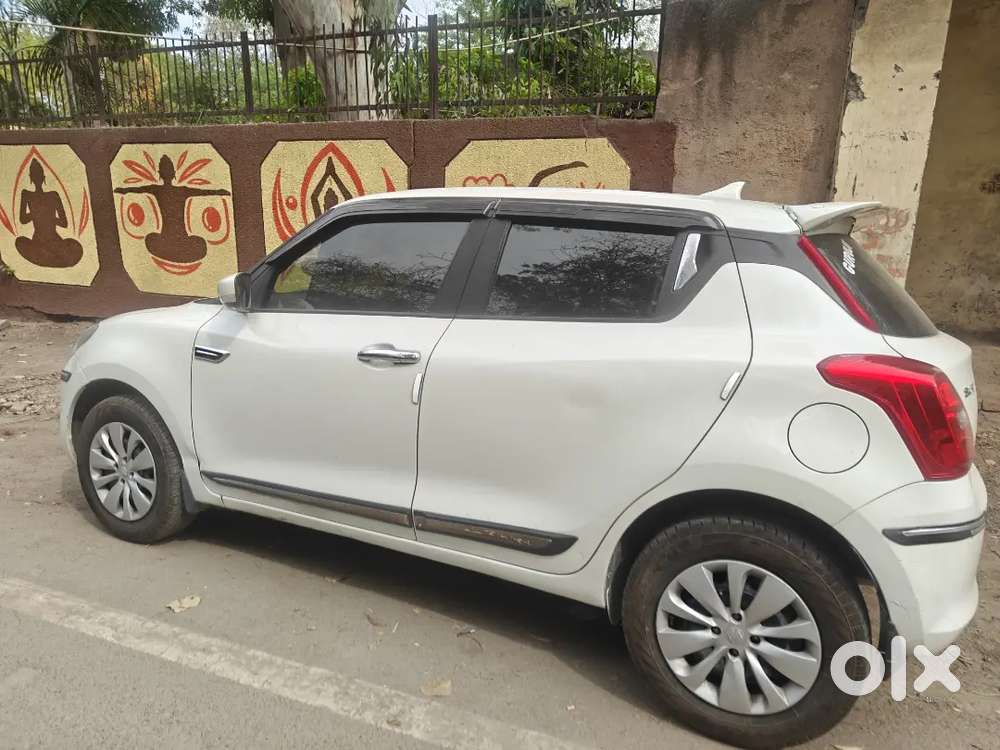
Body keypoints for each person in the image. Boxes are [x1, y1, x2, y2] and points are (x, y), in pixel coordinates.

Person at [114, 154, 229, 264]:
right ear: (173, 173)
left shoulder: (163, 189)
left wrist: (123, 190)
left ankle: (172, 254)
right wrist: (219, 192)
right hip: (175, 242)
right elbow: (140, 189)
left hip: (166, 241)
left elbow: (139, 189)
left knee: (151, 240)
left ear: (160, 173)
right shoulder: (173, 190)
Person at [15, 158, 83, 268]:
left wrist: (49, 217)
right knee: (21, 242)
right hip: (37, 240)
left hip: (55, 240)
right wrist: (36, 214)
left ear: (43, 177)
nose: (37, 178)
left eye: (39, 175)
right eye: (35, 176)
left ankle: (52, 257)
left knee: (73, 248)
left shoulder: (53, 195)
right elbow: (23, 220)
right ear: (31, 178)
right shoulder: (26, 194)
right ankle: (46, 256)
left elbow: (64, 223)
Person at [310, 156, 353, 220]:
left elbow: (349, 198)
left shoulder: (341, 217)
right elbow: (313, 198)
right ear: (324, 205)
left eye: (332, 197)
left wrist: (332, 175)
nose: (331, 201)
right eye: (329, 197)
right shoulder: (322, 220)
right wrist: (330, 175)